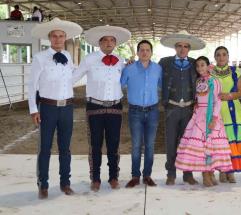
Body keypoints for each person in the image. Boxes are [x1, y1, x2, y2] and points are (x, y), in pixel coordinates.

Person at [28, 18, 83, 199]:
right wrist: (33, 109)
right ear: (50, 38)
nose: (58, 39)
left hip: (67, 108)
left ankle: (65, 183)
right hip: (48, 108)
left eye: (61, 36)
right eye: (55, 36)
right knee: (45, 148)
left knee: (65, 148)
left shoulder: (67, 56)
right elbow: (32, 85)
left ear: (65, 38)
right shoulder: (40, 58)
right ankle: (43, 184)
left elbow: (74, 75)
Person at [73, 25, 131, 191]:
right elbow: (74, 77)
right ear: (99, 42)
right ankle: (95, 178)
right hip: (94, 108)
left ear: (115, 43)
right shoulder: (89, 59)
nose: (108, 42)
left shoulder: (121, 61)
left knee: (114, 145)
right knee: (95, 145)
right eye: (105, 40)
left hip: (115, 108)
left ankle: (114, 177)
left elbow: (128, 80)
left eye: (112, 40)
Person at [175, 56, 233, 187]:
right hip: (199, 116)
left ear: (208, 66)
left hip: (211, 115)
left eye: (202, 65)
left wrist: (214, 118)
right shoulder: (198, 81)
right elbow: (199, 98)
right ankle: (205, 174)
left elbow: (217, 101)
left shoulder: (215, 81)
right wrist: (196, 106)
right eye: (198, 66)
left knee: (210, 145)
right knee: (201, 146)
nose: (200, 68)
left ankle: (210, 172)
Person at [159, 30, 206, 185]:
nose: (182, 49)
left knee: (188, 142)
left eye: (185, 46)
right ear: (175, 47)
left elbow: (205, 79)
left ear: (189, 49)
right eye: (179, 46)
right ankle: (171, 174)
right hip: (171, 108)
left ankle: (188, 174)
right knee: (171, 142)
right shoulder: (164, 62)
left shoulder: (195, 63)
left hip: (189, 109)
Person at [121, 40, 162, 188]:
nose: (144, 52)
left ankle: (147, 175)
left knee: (150, 145)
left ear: (151, 52)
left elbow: (162, 85)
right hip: (135, 112)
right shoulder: (129, 69)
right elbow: (119, 84)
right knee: (136, 145)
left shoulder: (158, 69)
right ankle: (135, 176)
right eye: (142, 50)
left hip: (152, 111)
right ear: (138, 52)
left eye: (147, 50)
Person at [211, 46, 241, 183]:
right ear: (215, 57)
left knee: (232, 141)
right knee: (219, 142)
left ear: (228, 56)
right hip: (216, 111)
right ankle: (221, 171)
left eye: (224, 54)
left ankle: (230, 171)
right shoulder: (210, 72)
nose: (221, 57)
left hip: (233, 111)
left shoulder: (236, 71)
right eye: (218, 55)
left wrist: (228, 95)